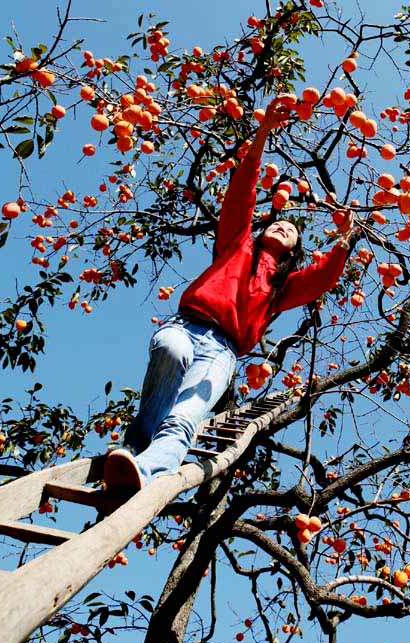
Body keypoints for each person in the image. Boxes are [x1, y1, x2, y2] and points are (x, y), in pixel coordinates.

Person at [103, 95, 356, 492]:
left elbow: (321, 280)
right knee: (170, 350)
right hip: (187, 325)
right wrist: (262, 135)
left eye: (292, 230)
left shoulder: (282, 288)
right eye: (279, 222)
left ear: (294, 250)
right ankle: (135, 447)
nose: (283, 226)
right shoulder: (235, 245)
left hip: (224, 350)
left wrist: (346, 238)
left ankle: (144, 470)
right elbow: (241, 194)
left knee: (187, 415)